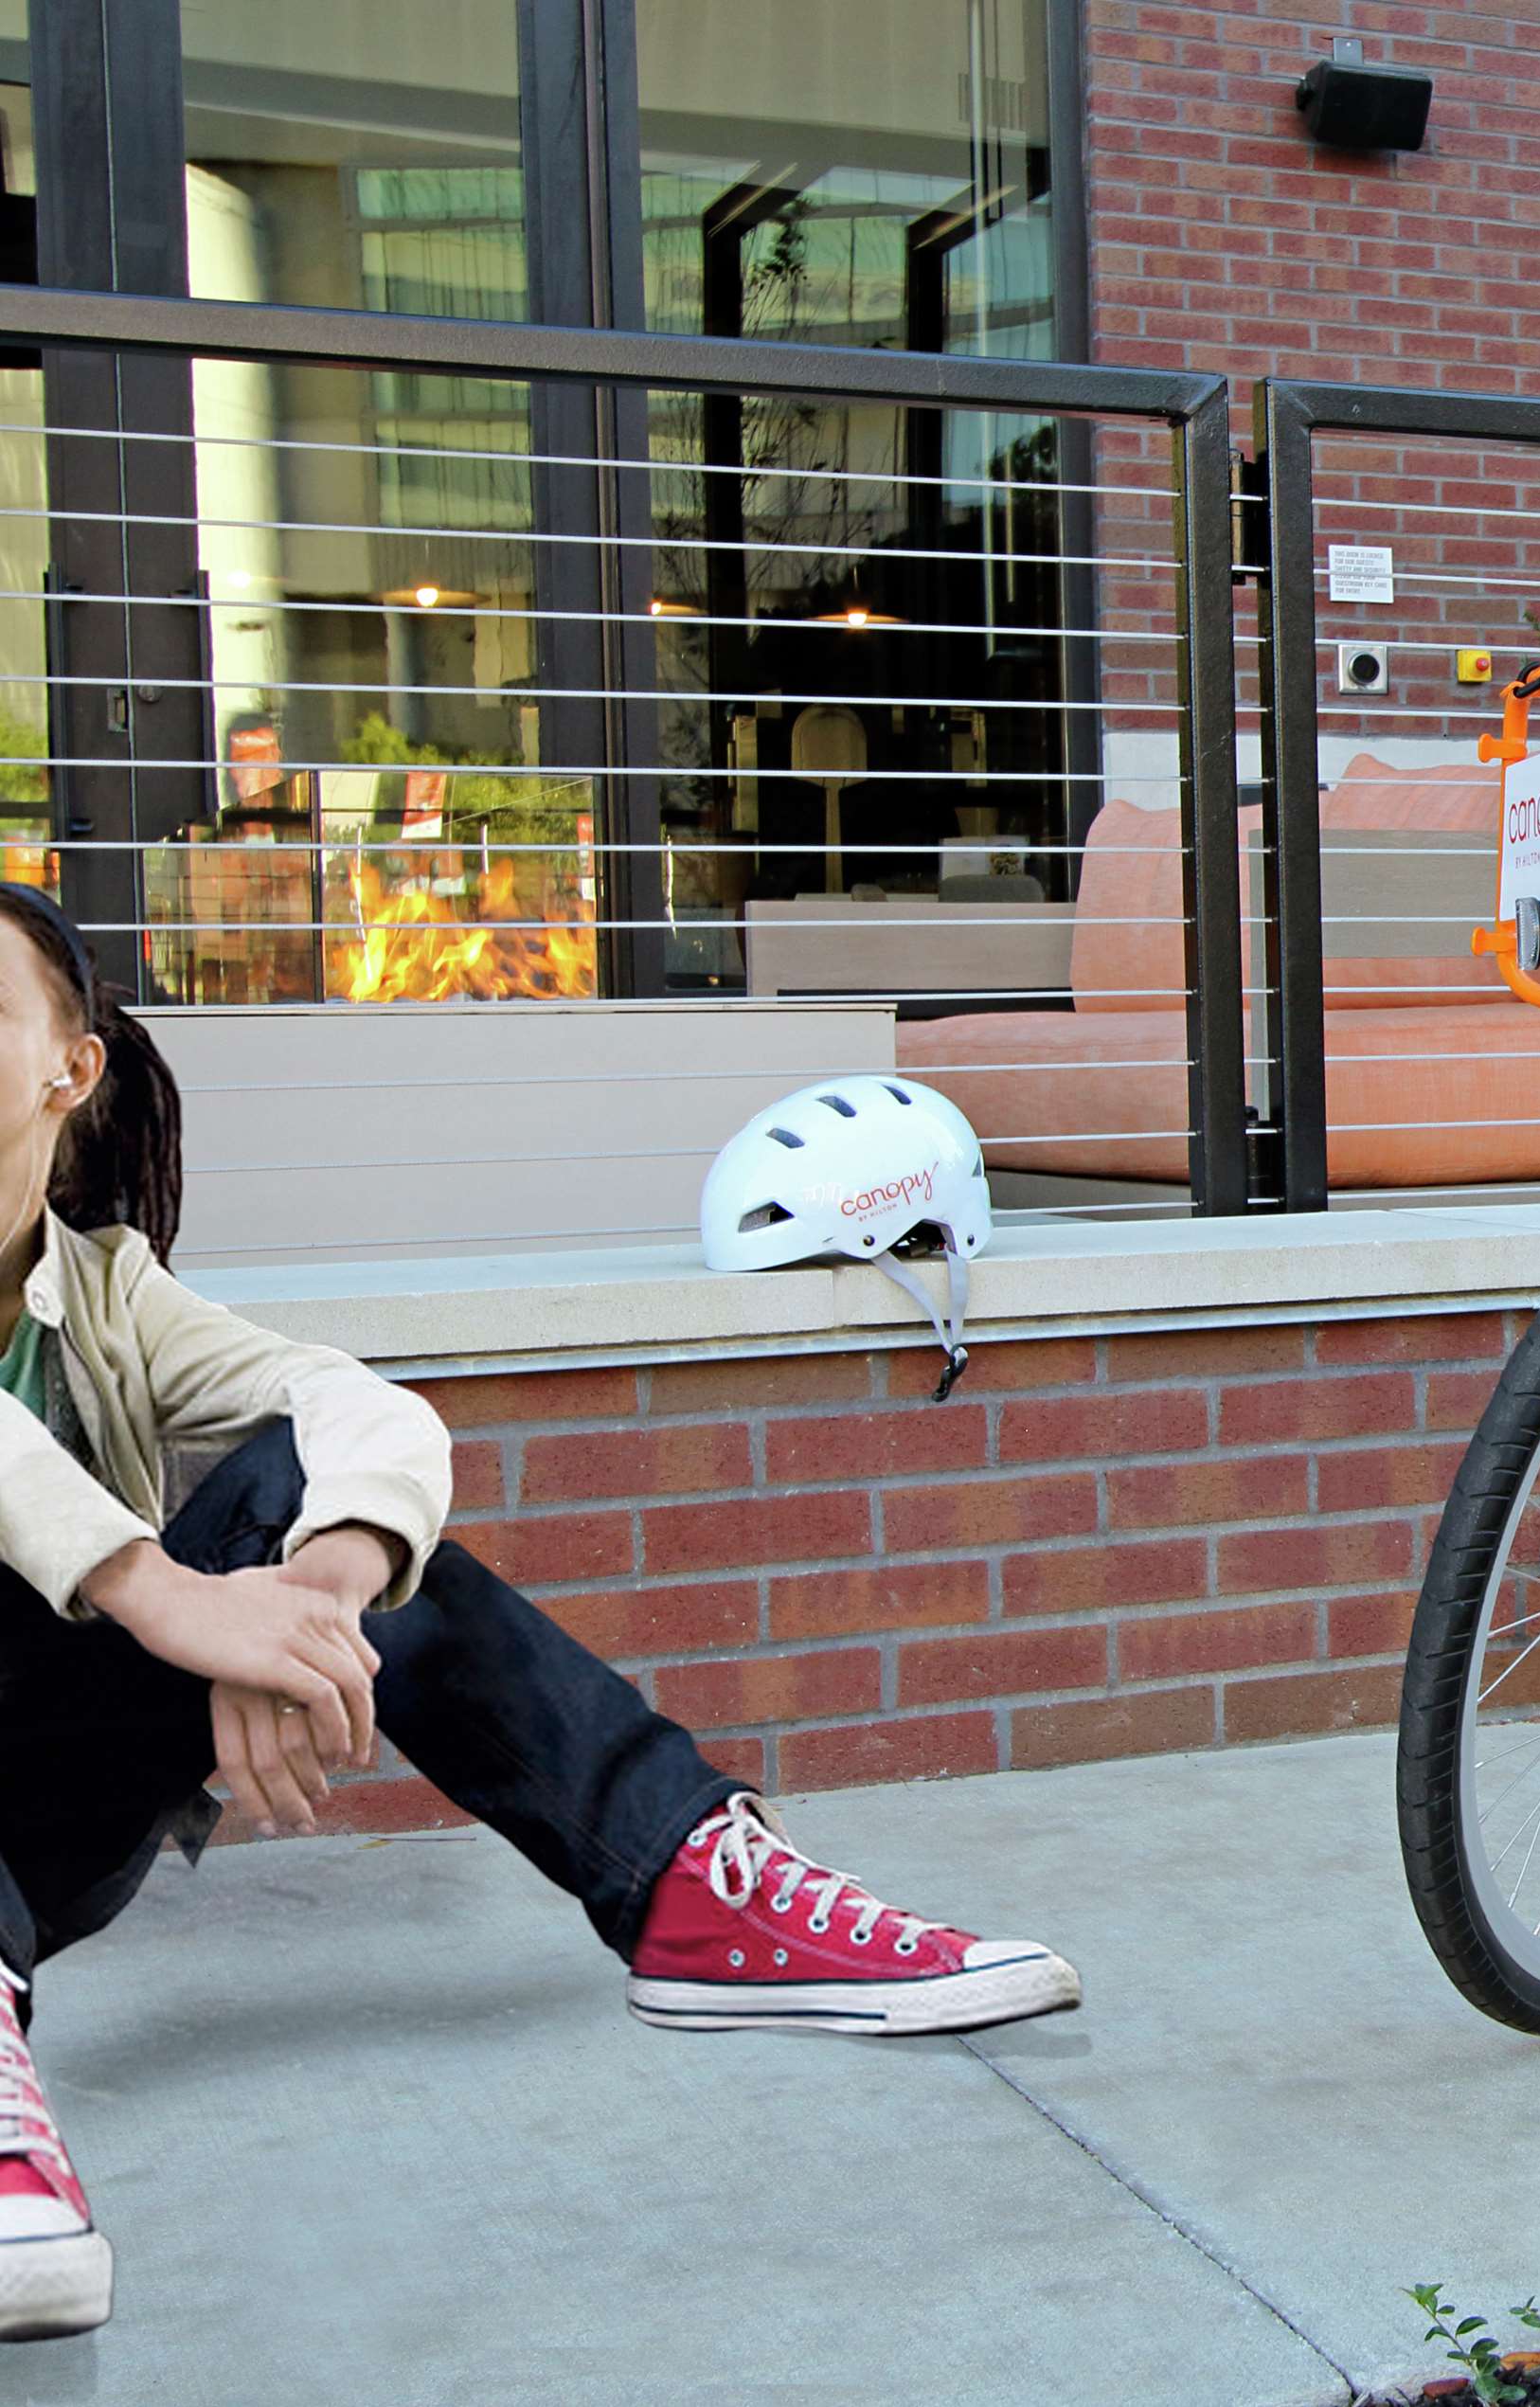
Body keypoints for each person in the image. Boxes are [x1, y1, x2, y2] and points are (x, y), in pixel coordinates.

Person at [0, 884, 1078, 2344]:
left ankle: (694, 1891)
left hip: (43, 1806)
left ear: (70, 1071)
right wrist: (176, 1599)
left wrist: (319, 1595)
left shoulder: (110, 1289)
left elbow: (362, 1404)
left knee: (343, 1517)